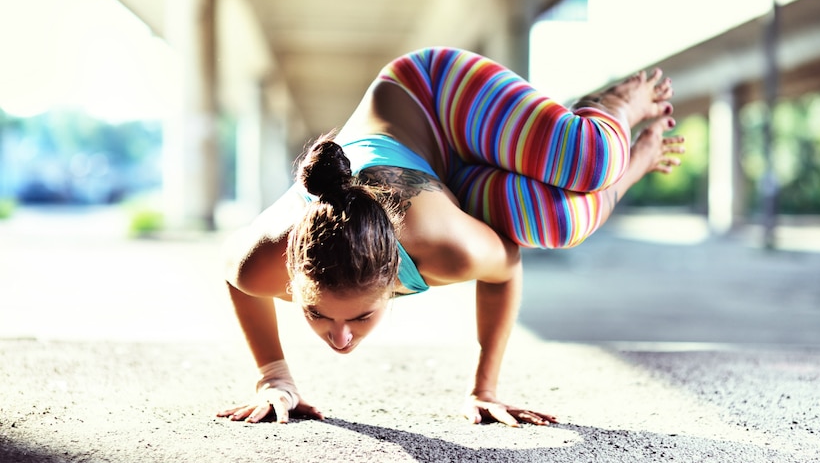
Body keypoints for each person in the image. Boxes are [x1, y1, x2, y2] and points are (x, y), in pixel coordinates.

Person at [217, 47, 684, 427]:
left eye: (360, 317)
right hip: (454, 178)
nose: (339, 338)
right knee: (559, 224)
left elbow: (505, 267)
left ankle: (615, 107)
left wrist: (485, 388)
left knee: (592, 160)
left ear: (391, 278)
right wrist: (273, 377)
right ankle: (639, 160)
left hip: (432, 99)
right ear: (293, 279)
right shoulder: (264, 259)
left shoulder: (442, 246)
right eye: (316, 313)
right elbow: (235, 280)